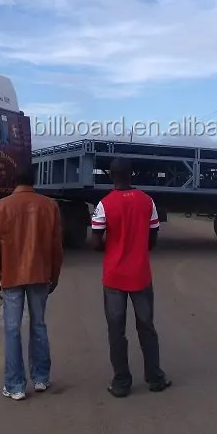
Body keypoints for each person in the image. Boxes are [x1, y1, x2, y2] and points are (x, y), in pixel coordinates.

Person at [90, 157, 171, 398]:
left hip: (114, 277)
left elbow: (95, 242)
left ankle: (121, 382)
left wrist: (114, 249)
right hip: (140, 275)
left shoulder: (104, 204)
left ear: (111, 176)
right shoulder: (147, 201)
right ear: (131, 174)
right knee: (146, 327)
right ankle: (155, 378)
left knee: (116, 330)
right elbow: (153, 238)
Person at [0, 167, 64, 400]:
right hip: (40, 274)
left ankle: (15, 386)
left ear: (14, 182)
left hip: (11, 276)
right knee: (39, 326)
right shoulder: (49, 205)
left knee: (12, 329)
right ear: (35, 181)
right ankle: (41, 378)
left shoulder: (1, 207)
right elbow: (56, 246)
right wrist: (55, 276)